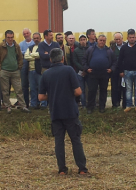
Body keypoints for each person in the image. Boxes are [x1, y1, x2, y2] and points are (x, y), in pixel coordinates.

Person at [38, 48, 89, 177]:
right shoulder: (68, 70)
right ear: (62, 58)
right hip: (70, 111)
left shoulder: (46, 74)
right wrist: (67, 92)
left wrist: (54, 95)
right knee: (75, 140)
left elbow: (40, 97)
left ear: (50, 59)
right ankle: (82, 168)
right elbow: (78, 92)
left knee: (59, 141)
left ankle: (62, 169)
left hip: (55, 112)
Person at [0, 30, 28, 113]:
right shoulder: (1, 46)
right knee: (5, 90)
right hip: (4, 71)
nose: (10, 39)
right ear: (5, 37)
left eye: (11, 37)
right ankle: (8, 106)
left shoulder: (16, 46)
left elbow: (20, 57)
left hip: (15, 71)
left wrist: (19, 66)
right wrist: (0, 69)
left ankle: (23, 106)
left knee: (18, 89)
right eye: (8, 37)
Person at [116, 29, 136, 112]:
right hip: (127, 72)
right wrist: (121, 71)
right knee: (128, 89)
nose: (132, 39)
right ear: (127, 38)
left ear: (135, 37)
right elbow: (120, 60)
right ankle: (128, 105)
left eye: (133, 37)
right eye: (130, 37)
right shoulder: (124, 48)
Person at [85, 34, 114, 113]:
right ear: (97, 40)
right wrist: (87, 68)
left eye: (104, 40)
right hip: (93, 74)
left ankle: (102, 107)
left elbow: (114, 62)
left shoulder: (109, 50)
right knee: (92, 91)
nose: (102, 42)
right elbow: (84, 60)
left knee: (103, 91)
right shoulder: (90, 49)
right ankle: (90, 107)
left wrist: (111, 69)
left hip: (104, 74)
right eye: (100, 40)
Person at [24, 32, 46, 110]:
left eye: (37, 38)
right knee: (32, 88)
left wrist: (32, 55)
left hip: (39, 70)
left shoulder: (43, 47)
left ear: (40, 39)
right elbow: (26, 57)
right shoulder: (30, 47)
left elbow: (42, 55)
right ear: (33, 39)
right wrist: (36, 55)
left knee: (41, 88)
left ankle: (43, 104)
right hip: (31, 71)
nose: (36, 39)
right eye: (35, 38)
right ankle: (34, 104)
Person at [71, 35, 89, 108]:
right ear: (79, 41)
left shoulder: (90, 49)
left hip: (89, 72)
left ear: (86, 40)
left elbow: (91, 60)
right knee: (82, 89)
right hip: (79, 72)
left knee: (89, 89)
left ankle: (90, 104)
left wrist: (87, 69)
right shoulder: (76, 50)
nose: (83, 41)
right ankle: (84, 104)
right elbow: (75, 61)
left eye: (84, 39)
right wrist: (83, 69)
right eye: (81, 40)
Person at [20, 28, 34, 108]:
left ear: (30, 33)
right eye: (24, 34)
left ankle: (33, 102)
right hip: (24, 66)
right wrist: (29, 53)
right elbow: (19, 53)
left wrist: (25, 54)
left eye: (27, 33)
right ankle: (25, 103)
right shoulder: (21, 44)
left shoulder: (34, 43)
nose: (26, 35)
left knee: (33, 85)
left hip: (33, 66)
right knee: (24, 85)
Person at [110, 32, 124, 108]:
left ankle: (125, 103)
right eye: (116, 39)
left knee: (124, 87)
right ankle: (115, 103)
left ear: (122, 39)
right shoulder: (112, 47)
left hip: (124, 69)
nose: (118, 41)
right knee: (114, 87)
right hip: (114, 70)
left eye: (119, 39)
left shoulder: (126, 46)